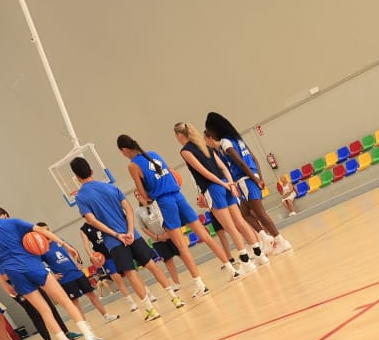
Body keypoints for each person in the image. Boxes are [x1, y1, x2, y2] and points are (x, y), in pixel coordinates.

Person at [0, 205, 104, 340]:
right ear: (5, 214)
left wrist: (4, 284)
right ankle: (89, 336)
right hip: (33, 265)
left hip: (14, 274)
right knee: (65, 301)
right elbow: (42, 230)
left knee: (44, 311)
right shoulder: (13, 222)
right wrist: (65, 245)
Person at [117, 133, 241, 288]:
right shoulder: (153, 154)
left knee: (181, 245)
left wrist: (151, 196)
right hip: (178, 196)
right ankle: (231, 269)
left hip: (164, 201)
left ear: (123, 150)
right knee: (205, 235)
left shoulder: (132, 165)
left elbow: (142, 193)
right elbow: (171, 175)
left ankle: (200, 285)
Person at [70, 155, 185, 313]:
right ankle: (174, 297)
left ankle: (150, 309)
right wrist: (130, 231)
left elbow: (93, 221)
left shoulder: (81, 197)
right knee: (151, 265)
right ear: (91, 170)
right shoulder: (111, 187)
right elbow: (129, 209)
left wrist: (118, 236)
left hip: (114, 241)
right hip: (133, 235)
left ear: (76, 177)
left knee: (131, 273)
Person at [174, 121, 269, 269]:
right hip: (225, 184)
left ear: (179, 135)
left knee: (230, 227)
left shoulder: (185, 151)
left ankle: (245, 262)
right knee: (240, 223)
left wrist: (223, 184)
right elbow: (223, 167)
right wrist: (230, 183)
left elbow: (203, 172)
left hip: (214, 188)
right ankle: (260, 255)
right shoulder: (204, 145)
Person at [204, 111, 293, 254]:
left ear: (214, 129)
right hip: (251, 176)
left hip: (245, 179)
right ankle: (266, 238)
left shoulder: (225, 143)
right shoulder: (237, 139)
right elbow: (254, 158)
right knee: (244, 212)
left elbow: (239, 162)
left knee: (260, 213)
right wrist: (259, 176)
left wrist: (254, 178)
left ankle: (280, 240)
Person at [35, 221, 118, 323]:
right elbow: (37, 264)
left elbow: (73, 251)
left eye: (48, 230)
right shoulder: (40, 248)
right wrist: (51, 275)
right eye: (44, 231)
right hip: (65, 279)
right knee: (75, 302)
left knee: (92, 294)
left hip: (77, 273)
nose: (47, 232)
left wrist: (79, 262)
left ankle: (106, 315)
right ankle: (85, 325)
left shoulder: (59, 241)